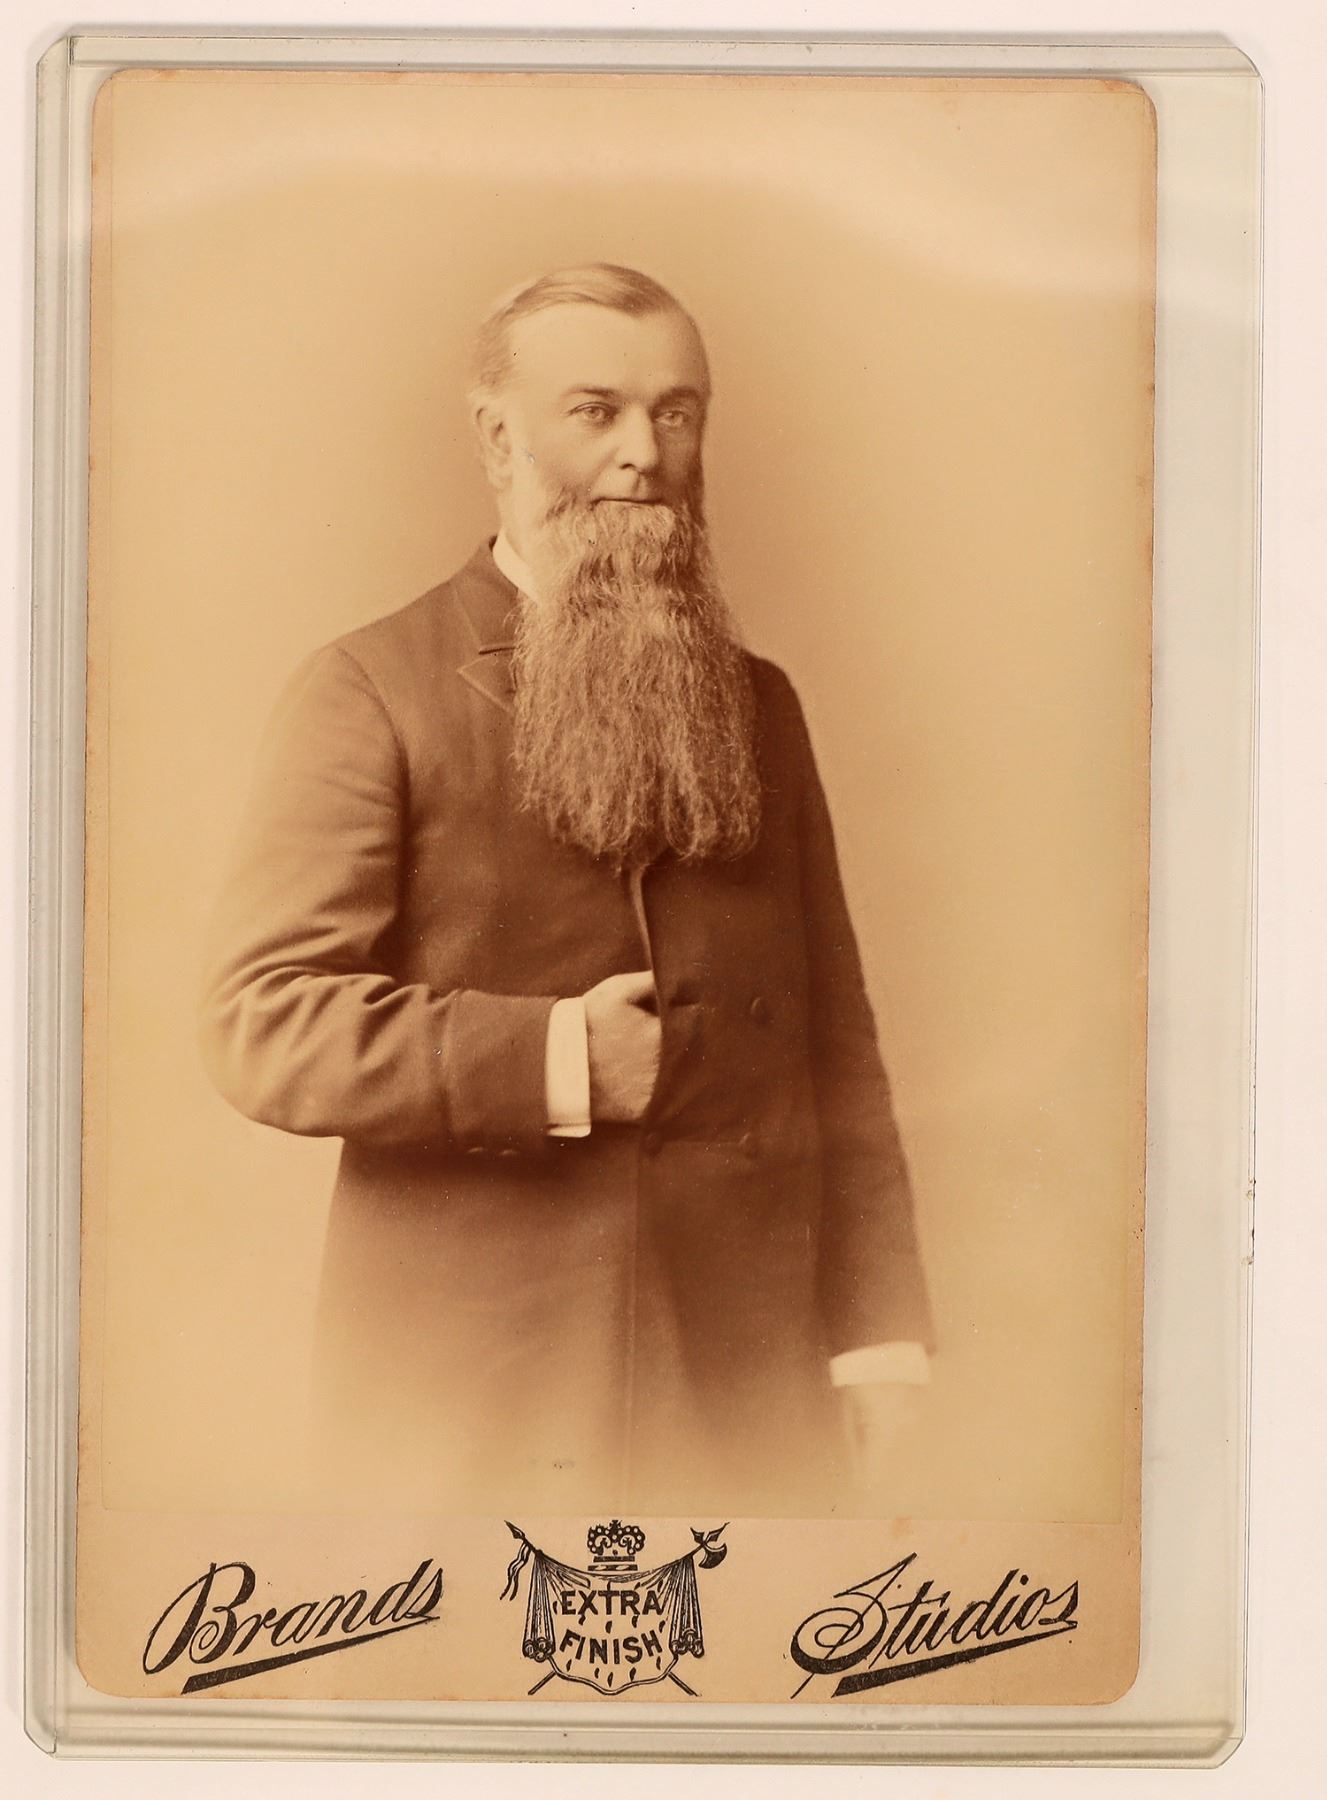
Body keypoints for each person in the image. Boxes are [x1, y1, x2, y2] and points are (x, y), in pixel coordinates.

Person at [199, 263, 934, 1515]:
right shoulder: (369, 689)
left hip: (747, 1380)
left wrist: (875, 1340)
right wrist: (552, 1060)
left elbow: (834, 1042)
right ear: (500, 438)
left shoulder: (759, 702)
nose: (644, 453)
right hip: (479, 1388)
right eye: (596, 411)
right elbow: (259, 1022)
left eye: (676, 411)